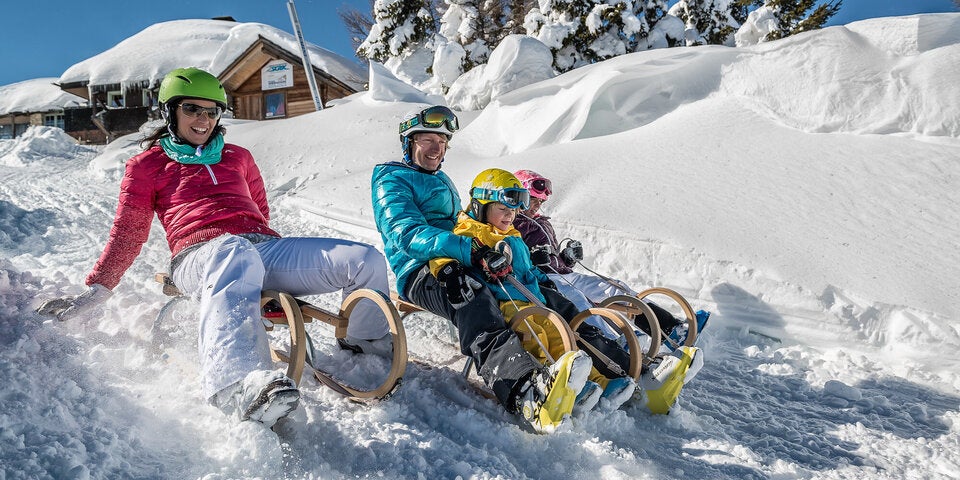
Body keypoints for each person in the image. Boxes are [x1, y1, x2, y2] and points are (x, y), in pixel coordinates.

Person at [36, 67, 393, 428]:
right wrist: (99, 288)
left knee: (363, 259)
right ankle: (235, 384)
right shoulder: (146, 166)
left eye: (212, 111)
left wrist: (261, 279)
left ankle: (364, 346)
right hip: (197, 257)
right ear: (169, 112)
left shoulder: (238, 156)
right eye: (192, 109)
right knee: (233, 250)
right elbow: (128, 232)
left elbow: (260, 211)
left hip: (258, 249)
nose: (203, 119)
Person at [370, 105, 593, 433]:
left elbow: (461, 224)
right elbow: (406, 233)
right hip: (419, 270)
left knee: (527, 292)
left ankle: (586, 366)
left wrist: (488, 244)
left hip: (461, 259)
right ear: (409, 142)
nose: (436, 148)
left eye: (442, 142)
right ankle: (522, 389)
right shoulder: (391, 180)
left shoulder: (440, 178)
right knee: (473, 298)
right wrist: (471, 250)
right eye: (428, 140)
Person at [430, 168, 639, 415]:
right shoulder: (469, 233)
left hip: (533, 299)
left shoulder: (513, 235)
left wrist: (544, 280)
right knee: (536, 338)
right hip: (505, 302)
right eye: (503, 209)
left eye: (513, 211)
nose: (510, 215)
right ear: (480, 206)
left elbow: (528, 268)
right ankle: (549, 383)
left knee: (559, 336)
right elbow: (443, 256)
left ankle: (596, 382)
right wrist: (449, 270)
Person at [512, 169, 707, 413]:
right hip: (543, 279)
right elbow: (517, 260)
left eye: (540, 201)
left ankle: (671, 329)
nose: (537, 206)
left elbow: (555, 259)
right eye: (533, 199)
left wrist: (567, 257)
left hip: (563, 273)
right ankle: (614, 344)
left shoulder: (542, 222)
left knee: (614, 287)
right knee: (578, 300)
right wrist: (535, 260)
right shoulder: (514, 223)